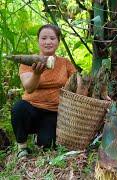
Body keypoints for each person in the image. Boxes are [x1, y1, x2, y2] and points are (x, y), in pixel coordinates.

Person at [11, 24, 77, 158]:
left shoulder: (65, 63)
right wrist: (36, 74)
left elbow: (78, 82)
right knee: (18, 108)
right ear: (38, 41)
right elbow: (29, 88)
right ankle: (22, 146)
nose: (48, 42)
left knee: (47, 145)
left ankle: (40, 138)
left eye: (52, 38)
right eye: (44, 38)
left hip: (54, 112)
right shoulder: (27, 62)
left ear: (58, 41)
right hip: (31, 109)